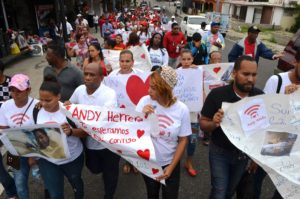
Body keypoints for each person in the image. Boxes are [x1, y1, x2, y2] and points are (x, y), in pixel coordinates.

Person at [200, 55, 264, 199]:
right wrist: (214, 123)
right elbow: (203, 124)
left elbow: (261, 130)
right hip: (219, 153)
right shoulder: (217, 95)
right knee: (219, 191)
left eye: (254, 75)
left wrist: (256, 159)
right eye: (246, 74)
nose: (250, 79)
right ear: (234, 73)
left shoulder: (259, 97)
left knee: (229, 191)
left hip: (243, 155)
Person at [136, 66, 191, 199]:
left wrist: (171, 167)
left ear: (166, 88)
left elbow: (183, 140)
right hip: (149, 162)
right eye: (149, 86)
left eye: (154, 88)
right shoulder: (144, 101)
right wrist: (141, 116)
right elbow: (134, 131)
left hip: (170, 161)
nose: (149, 91)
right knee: (152, 194)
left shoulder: (182, 109)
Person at [67, 63, 119, 199]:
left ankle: (109, 195)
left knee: (110, 175)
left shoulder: (109, 94)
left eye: (92, 75)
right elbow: (69, 105)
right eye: (86, 74)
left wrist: (74, 132)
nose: (88, 77)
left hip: (109, 145)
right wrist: (53, 104)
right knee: (93, 168)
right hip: (90, 144)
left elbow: (100, 124)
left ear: (101, 78)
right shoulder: (79, 90)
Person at [35, 75, 84, 199]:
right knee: (55, 194)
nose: (44, 103)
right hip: (49, 160)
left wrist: (71, 131)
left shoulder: (69, 111)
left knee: (76, 184)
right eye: (41, 99)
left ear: (58, 97)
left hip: (72, 159)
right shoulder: (36, 111)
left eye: (48, 100)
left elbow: (85, 132)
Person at [0, 74, 38, 199]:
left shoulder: (37, 106)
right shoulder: (5, 106)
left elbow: (42, 133)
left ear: (28, 90)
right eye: (12, 90)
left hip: (36, 152)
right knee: (20, 184)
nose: (15, 94)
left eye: (19, 90)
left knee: (43, 178)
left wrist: (33, 156)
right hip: (15, 152)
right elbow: (4, 129)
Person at [177, 49, 199, 177]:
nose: (186, 62)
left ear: (192, 59)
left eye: (188, 59)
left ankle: (189, 162)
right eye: (183, 59)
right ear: (180, 60)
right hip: (179, 115)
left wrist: (198, 71)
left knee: (192, 140)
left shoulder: (197, 71)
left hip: (193, 115)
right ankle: (173, 162)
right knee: (176, 139)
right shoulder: (176, 73)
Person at [0, 61, 17, 199]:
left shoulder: (12, 83)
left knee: (14, 159)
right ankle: (12, 192)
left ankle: (16, 177)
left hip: (9, 130)